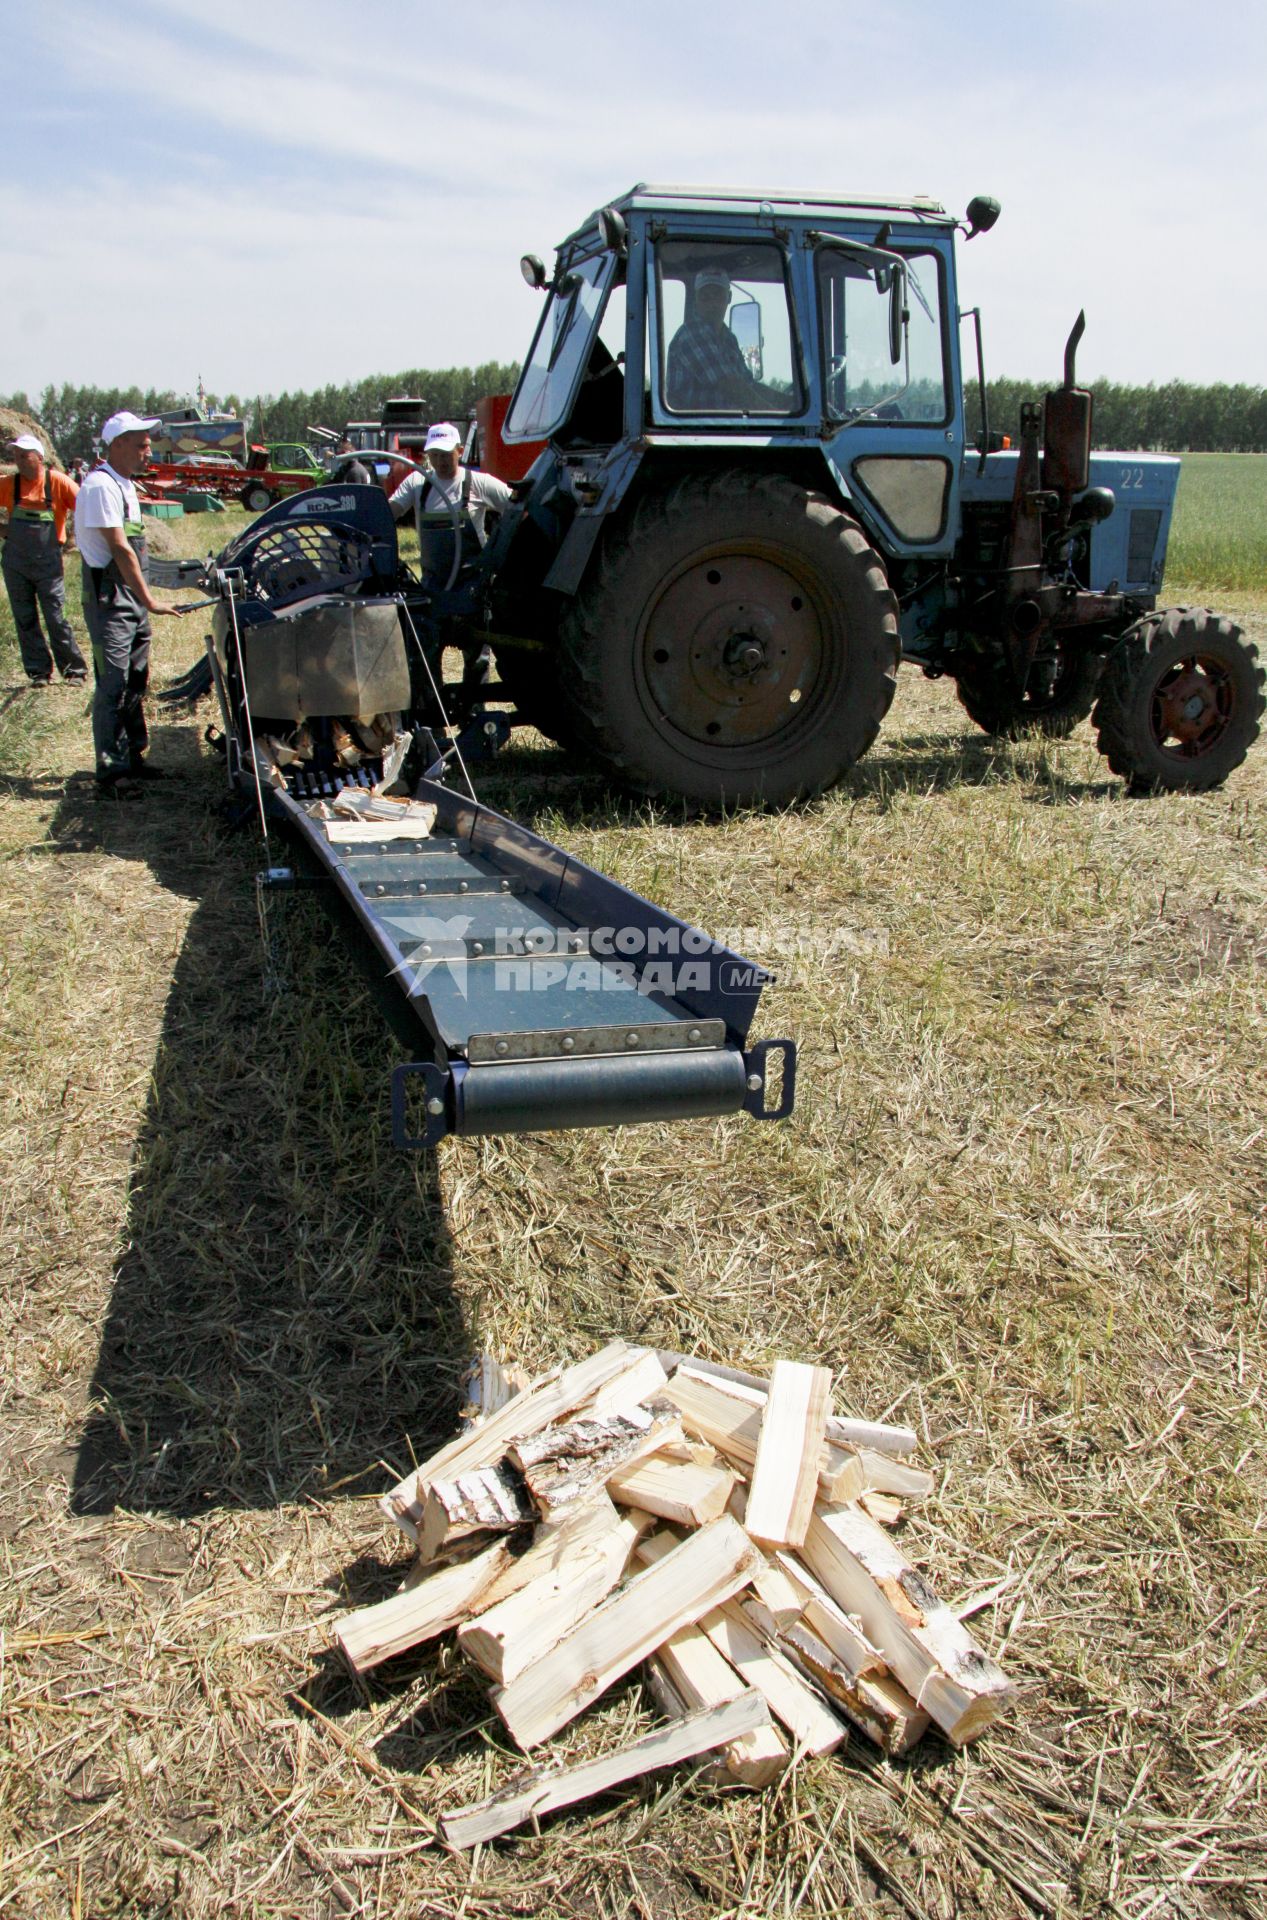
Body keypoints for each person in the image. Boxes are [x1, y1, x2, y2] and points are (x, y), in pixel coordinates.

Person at [74, 411, 191, 790]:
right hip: (110, 596)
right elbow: (121, 550)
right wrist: (151, 600)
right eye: (141, 445)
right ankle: (110, 771)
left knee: (135, 678)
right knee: (112, 683)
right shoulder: (99, 487)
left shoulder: (125, 486)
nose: (148, 452)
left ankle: (133, 756)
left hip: (129, 595)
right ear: (118, 443)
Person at [1, 433, 88, 686]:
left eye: (24, 456)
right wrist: (3, 530)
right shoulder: (9, 484)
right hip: (15, 563)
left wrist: (78, 539)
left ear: (39, 458)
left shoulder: (57, 482)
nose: (18, 460)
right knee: (24, 616)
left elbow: (86, 508)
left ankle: (74, 671)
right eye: (16, 456)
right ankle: (38, 671)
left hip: (48, 562)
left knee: (55, 615)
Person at [666, 268, 789, 412]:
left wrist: (787, 402)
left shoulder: (729, 338)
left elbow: (748, 385)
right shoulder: (692, 334)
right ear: (696, 300)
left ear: (729, 297)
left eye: (718, 296)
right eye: (705, 297)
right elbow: (731, 387)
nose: (712, 304)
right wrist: (776, 416)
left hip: (723, 426)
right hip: (695, 430)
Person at [387, 422, 512, 543]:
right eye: (434, 455)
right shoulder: (416, 482)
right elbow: (387, 514)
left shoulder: (479, 482)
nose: (440, 461)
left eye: (446, 455)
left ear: (460, 451)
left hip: (475, 564)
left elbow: (518, 508)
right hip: (432, 565)